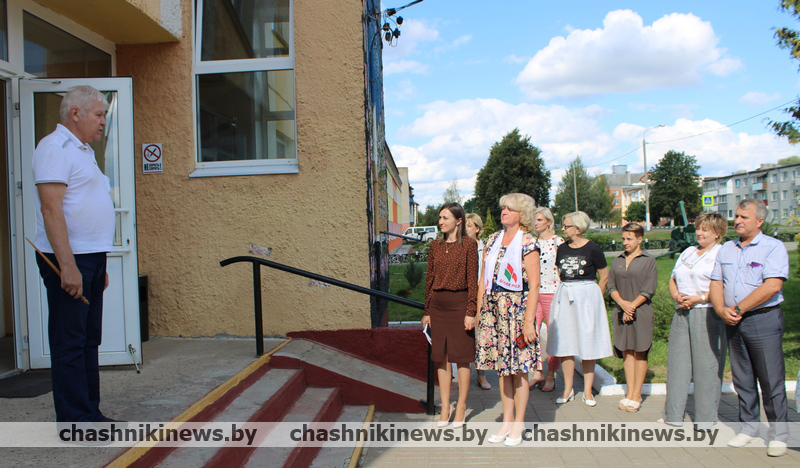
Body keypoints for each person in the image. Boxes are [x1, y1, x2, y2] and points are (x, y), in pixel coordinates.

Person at [33, 86, 118, 428]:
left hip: (90, 259)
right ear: (75, 114)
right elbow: (51, 209)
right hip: (69, 259)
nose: (103, 122)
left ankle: (90, 414)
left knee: (88, 339)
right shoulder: (54, 148)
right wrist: (68, 267)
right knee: (70, 341)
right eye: (99, 115)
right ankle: (74, 422)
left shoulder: (84, 151)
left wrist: (99, 263)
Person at [710, 199, 789, 457]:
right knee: (743, 378)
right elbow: (716, 282)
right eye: (736, 216)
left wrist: (738, 308)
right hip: (733, 320)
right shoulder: (727, 249)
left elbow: (772, 286)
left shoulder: (773, 247)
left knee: (770, 379)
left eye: (744, 217)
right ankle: (749, 427)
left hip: (762, 319)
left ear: (760, 221)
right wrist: (721, 309)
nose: (738, 221)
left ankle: (778, 434)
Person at [476, 193, 540, 446]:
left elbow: (534, 285)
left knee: (520, 370)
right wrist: (480, 311)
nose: (504, 212)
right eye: (503, 207)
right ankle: (507, 420)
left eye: (510, 209)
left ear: (521, 215)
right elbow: (483, 279)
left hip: (517, 311)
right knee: (503, 370)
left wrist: (528, 322)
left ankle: (519, 423)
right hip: (494, 311)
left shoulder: (528, 242)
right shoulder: (492, 240)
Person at [661, 212, 727, 427]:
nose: (699, 233)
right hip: (682, 311)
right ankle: (673, 415)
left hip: (707, 312)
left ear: (717, 233)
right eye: (698, 228)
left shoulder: (721, 254)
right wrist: (676, 296)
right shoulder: (688, 252)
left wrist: (700, 298)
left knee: (706, 367)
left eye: (705, 230)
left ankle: (706, 419)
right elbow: (673, 278)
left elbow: (723, 286)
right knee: (678, 364)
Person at [421, 203, 479, 428]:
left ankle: (461, 406)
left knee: (462, 357)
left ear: (459, 221)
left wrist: (471, 312)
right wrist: (427, 311)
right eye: (440, 218)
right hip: (438, 306)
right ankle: (445, 406)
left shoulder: (469, 245)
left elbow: (473, 280)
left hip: (460, 304)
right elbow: (430, 279)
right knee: (442, 358)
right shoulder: (435, 245)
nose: (441, 222)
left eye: (445, 218)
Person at [547, 211, 612, 407]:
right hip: (566, 295)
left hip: (587, 296)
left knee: (588, 342)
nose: (563, 229)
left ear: (578, 228)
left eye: (566, 226)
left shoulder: (593, 249)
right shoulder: (562, 248)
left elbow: (604, 276)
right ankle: (568, 388)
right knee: (566, 344)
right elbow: (560, 272)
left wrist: (595, 300)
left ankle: (588, 391)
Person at [608, 223, 658, 413]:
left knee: (640, 351)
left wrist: (632, 306)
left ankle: (637, 394)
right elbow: (611, 286)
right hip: (621, 312)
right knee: (627, 351)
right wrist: (623, 304)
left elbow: (649, 288)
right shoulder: (617, 261)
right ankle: (629, 393)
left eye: (629, 239)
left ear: (640, 239)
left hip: (641, 312)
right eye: (623, 239)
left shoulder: (649, 261)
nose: (625, 242)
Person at [527, 207, 564, 393]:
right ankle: (538, 372)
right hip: (534, 293)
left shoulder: (558, 242)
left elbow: (562, 268)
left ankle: (551, 374)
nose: (536, 223)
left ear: (549, 222)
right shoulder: (531, 242)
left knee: (552, 335)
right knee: (531, 333)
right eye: (535, 220)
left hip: (552, 293)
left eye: (540, 220)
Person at [465, 212, 491, 391]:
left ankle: (481, 375)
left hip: (484, 295)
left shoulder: (486, 247)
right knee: (465, 336)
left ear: (477, 228)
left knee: (482, 336)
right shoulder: (460, 246)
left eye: (469, 225)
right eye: (464, 225)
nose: (465, 229)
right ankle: (464, 374)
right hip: (465, 296)